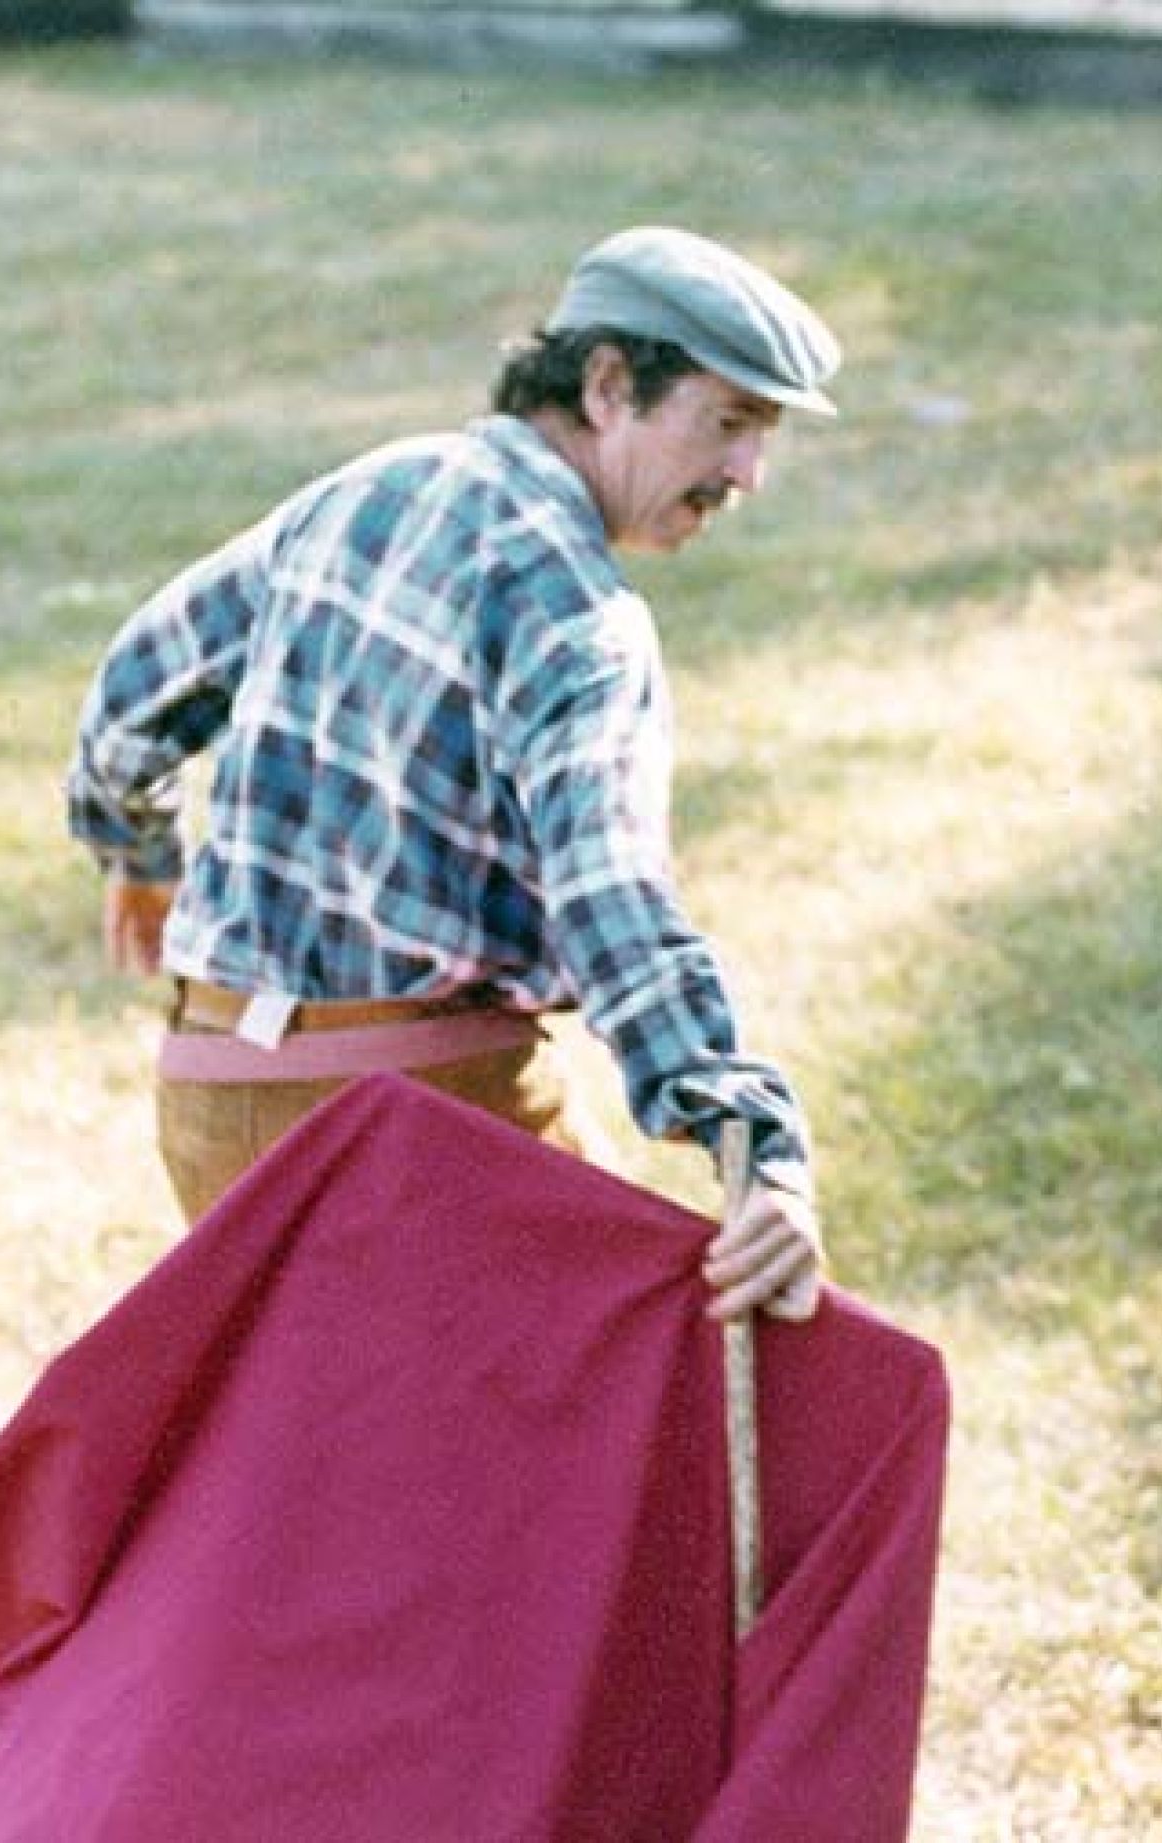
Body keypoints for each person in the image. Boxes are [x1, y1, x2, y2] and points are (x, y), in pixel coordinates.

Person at [65, 225, 835, 1320]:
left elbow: (133, 692)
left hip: (211, 1096)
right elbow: (610, 894)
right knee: (657, 1406)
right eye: (729, 422)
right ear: (609, 385)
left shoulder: (362, 492)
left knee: (360, 1467)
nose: (748, 473)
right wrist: (750, 1144)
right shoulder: (579, 618)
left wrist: (137, 859)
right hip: (412, 1122)